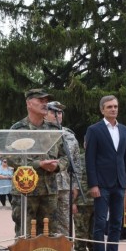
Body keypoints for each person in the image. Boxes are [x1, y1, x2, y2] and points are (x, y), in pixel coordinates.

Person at [8, 89, 68, 237]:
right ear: (29, 103)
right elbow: (10, 157)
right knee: (25, 236)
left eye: (46, 101)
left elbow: (65, 156)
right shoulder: (18, 129)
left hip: (50, 191)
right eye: (40, 100)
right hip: (26, 190)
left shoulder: (54, 130)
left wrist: (57, 166)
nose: (45, 104)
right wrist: (38, 164)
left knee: (50, 235)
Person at [85, 95, 126, 251]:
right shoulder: (94, 130)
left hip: (120, 183)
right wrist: (93, 184)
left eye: (116, 106)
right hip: (102, 184)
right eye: (110, 107)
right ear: (102, 110)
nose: (114, 109)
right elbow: (89, 160)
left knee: (116, 222)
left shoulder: (125, 130)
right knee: (99, 222)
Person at [44, 101, 81, 237]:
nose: (57, 115)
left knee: (65, 223)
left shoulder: (69, 135)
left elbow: (76, 163)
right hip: (45, 185)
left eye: (59, 112)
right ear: (45, 114)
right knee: (47, 222)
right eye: (53, 112)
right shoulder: (38, 132)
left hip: (65, 185)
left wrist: (76, 185)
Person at [72, 142, 94, 251]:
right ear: (85, 144)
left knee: (96, 233)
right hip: (81, 203)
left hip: (98, 202)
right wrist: (73, 202)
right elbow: (73, 182)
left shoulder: (101, 159)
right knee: (80, 232)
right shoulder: (78, 160)